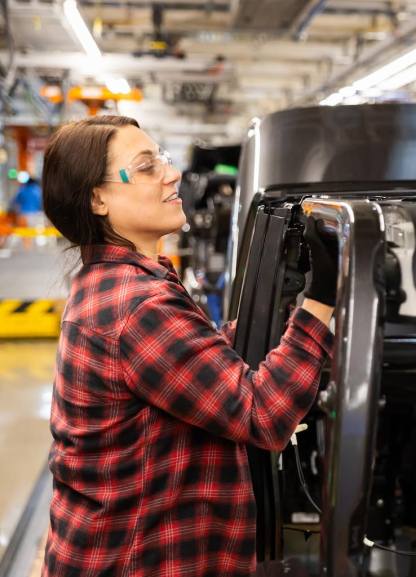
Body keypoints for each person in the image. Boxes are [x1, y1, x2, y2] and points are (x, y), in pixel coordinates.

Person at [39, 115, 338, 577]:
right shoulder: (138, 306)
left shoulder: (119, 282)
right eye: (144, 167)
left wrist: (275, 312)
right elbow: (264, 413)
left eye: (162, 158)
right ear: (98, 198)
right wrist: (322, 300)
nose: (171, 172)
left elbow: (201, 360)